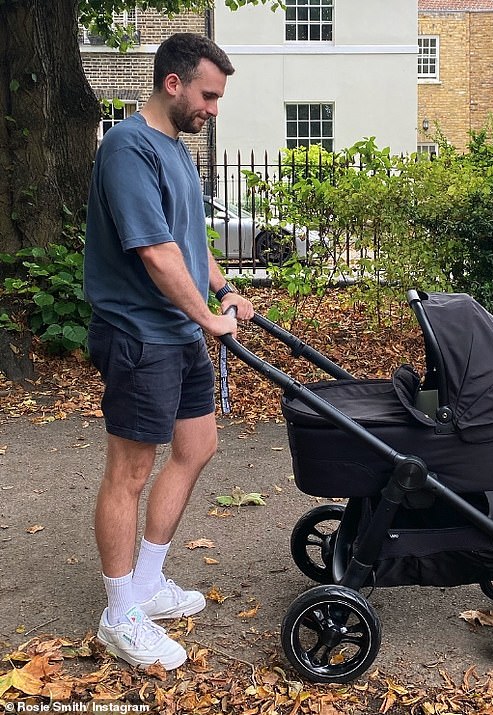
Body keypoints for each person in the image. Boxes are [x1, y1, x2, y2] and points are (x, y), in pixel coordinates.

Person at [83, 33, 254, 671]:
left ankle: (148, 583)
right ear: (174, 83)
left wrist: (227, 290)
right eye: (209, 95)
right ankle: (119, 610)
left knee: (197, 445)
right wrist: (207, 317)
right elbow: (153, 252)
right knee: (128, 472)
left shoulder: (178, 151)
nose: (214, 108)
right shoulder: (129, 147)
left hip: (177, 331)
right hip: (138, 333)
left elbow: (189, 242)